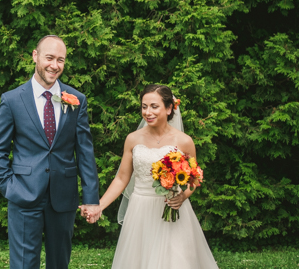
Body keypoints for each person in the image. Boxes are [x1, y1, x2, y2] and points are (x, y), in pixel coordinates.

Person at [0, 35, 100, 269]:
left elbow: (85, 153)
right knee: (22, 264)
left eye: (61, 60)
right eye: (50, 58)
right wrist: (9, 185)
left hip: (63, 197)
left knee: (59, 263)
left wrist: (91, 199)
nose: (55, 65)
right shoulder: (12, 100)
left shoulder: (77, 100)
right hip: (23, 195)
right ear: (35, 56)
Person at [81, 84, 218, 269]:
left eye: (154, 106)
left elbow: (195, 178)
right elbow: (122, 178)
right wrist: (99, 206)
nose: (148, 112)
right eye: (144, 106)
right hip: (140, 211)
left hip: (172, 212)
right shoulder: (133, 139)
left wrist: (183, 196)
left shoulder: (184, 141)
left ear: (169, 108)